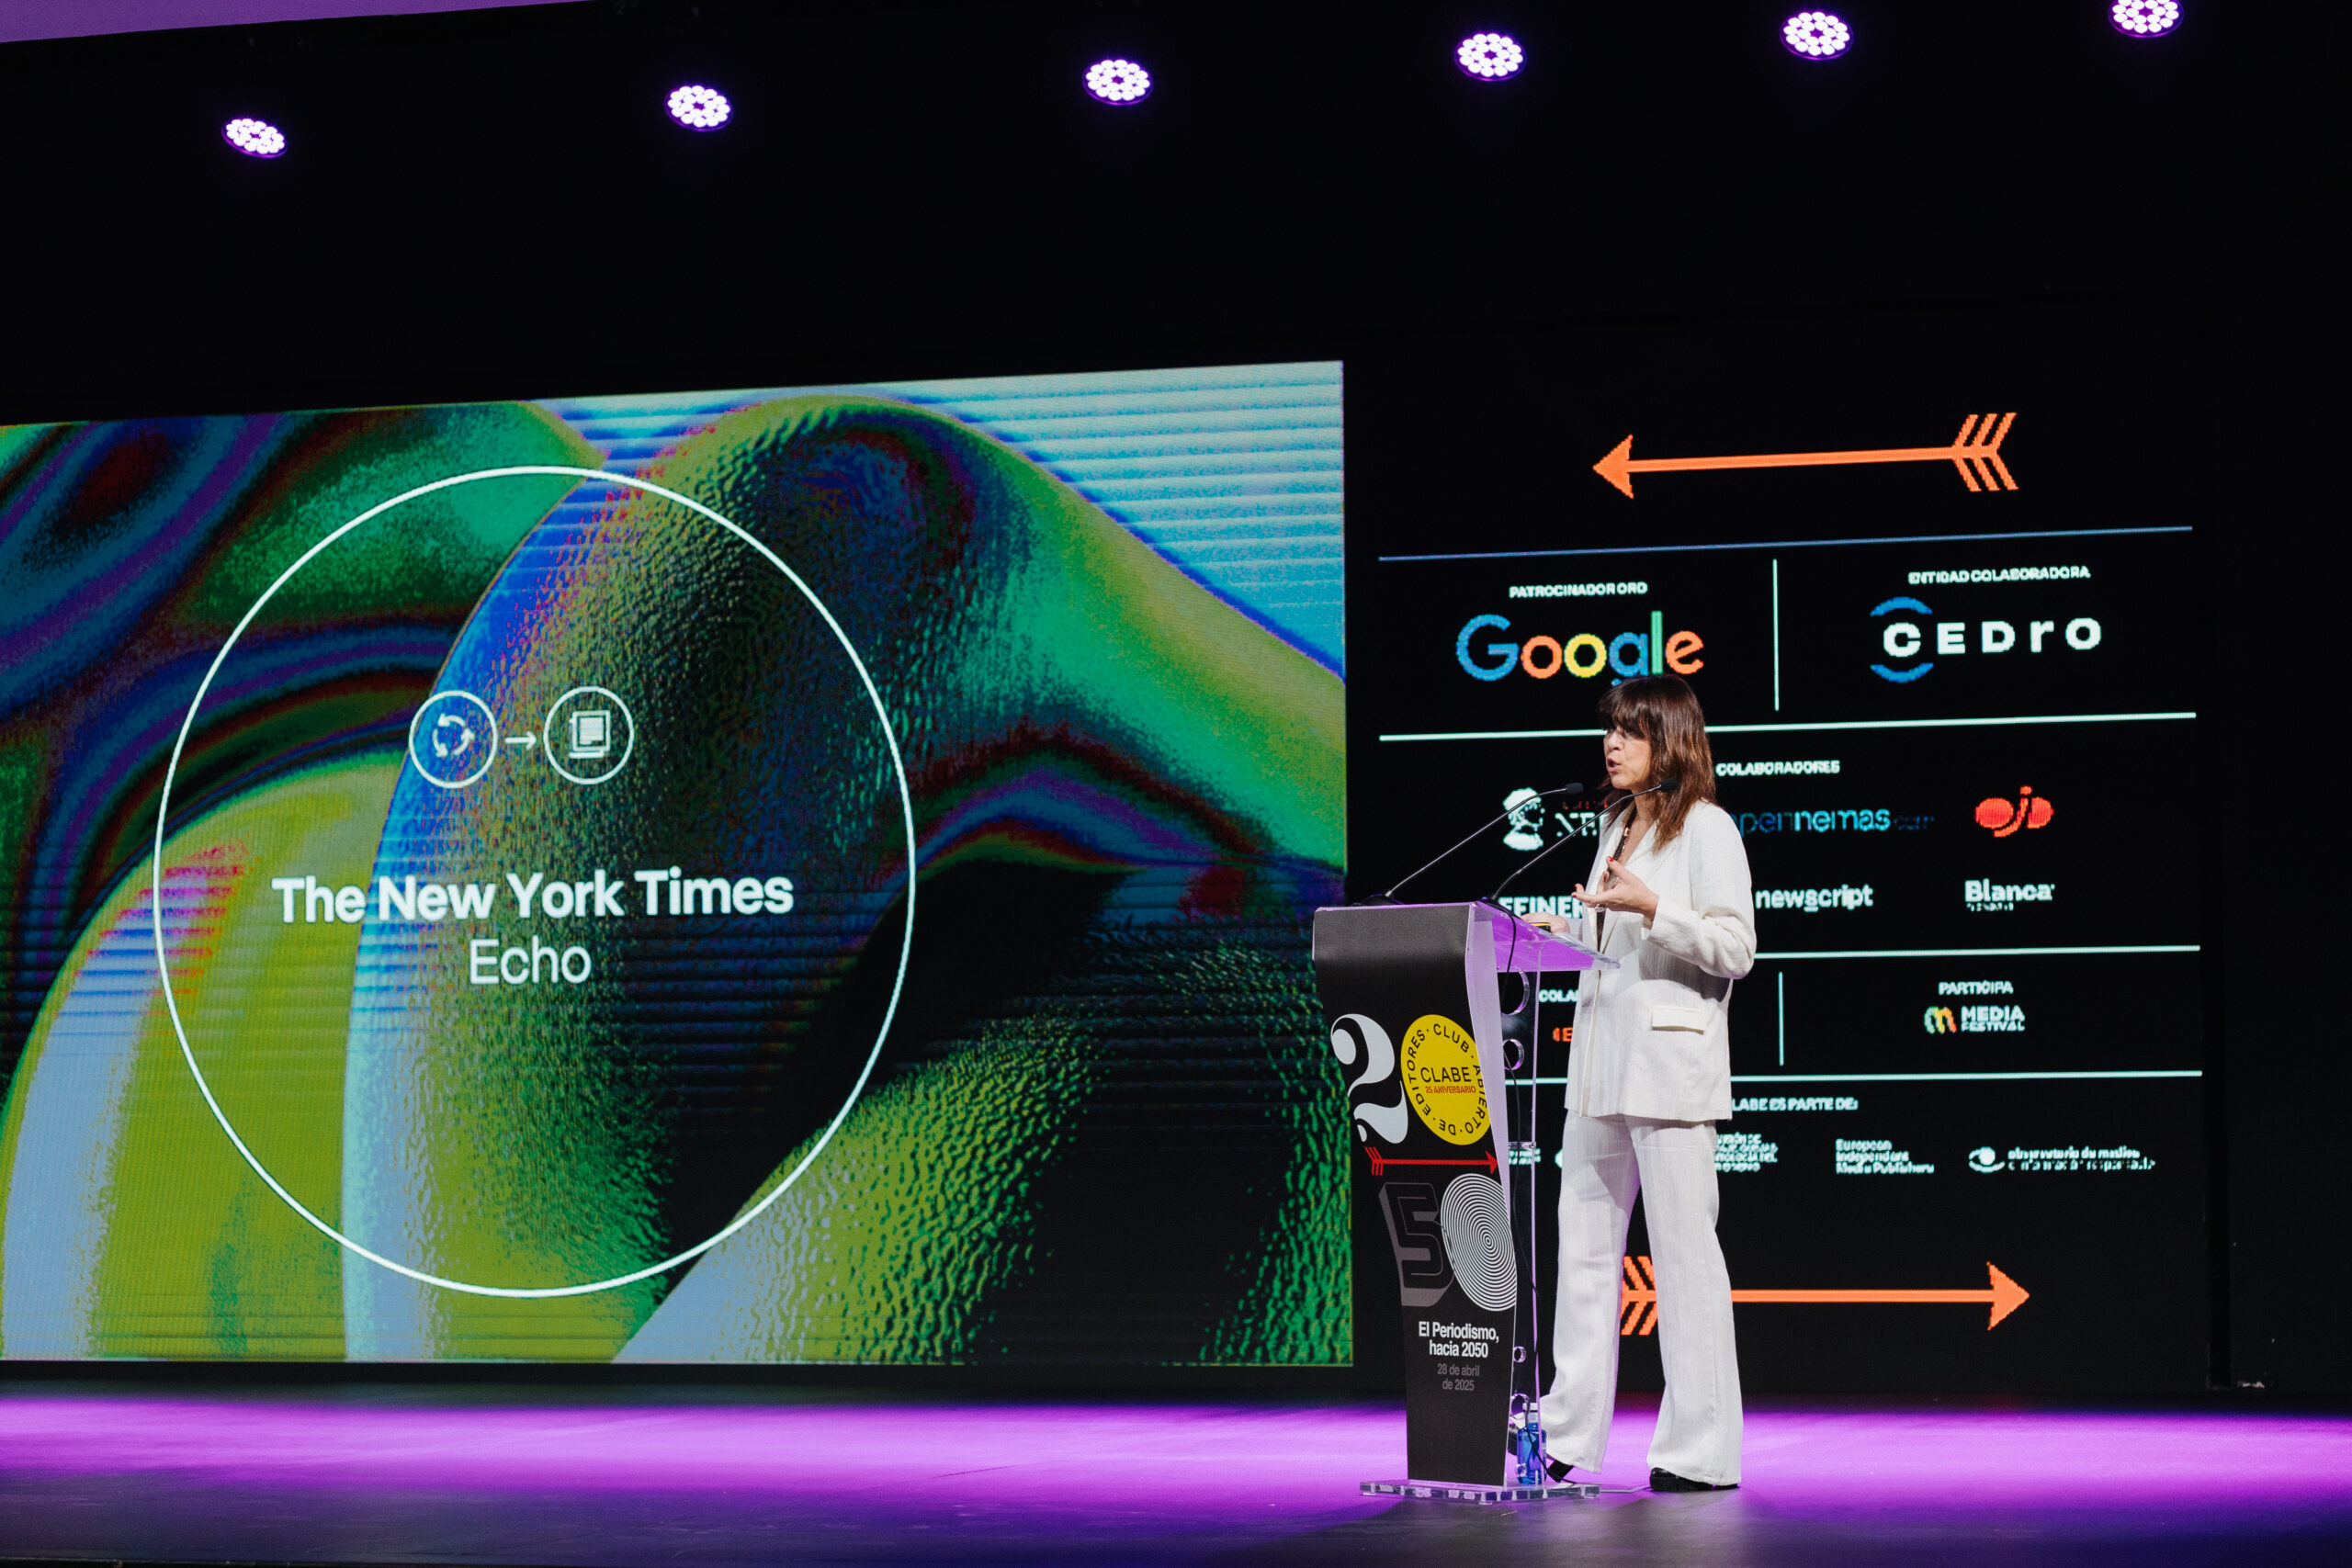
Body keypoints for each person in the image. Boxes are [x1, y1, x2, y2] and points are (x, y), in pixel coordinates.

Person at [1525, 673, 1755, 1492]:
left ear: (1670, 740)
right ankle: (1565, 1437)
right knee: (1583, 1254)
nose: (1611, 744)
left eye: (1629, 731)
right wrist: (1563, 929)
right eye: (1609, 729)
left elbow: (1736, 947)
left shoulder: (1708, 827)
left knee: (1685, 1260)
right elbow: (1609, 937)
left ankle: (1700, 1450)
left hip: (1670, 1068)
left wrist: (1656, 907)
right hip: (1599, 1067)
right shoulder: (1617, 823)